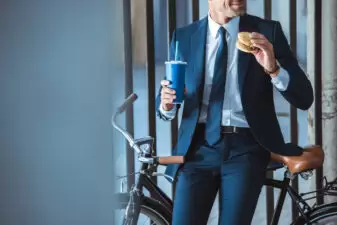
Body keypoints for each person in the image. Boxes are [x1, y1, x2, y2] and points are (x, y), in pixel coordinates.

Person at [155, 0, 314, 224]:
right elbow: (166, 99)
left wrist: (273, 69)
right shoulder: (184, 36)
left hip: (245, 148)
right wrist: (167, 105)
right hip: (197, 149)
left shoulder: (267, 32)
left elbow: (304, 98)